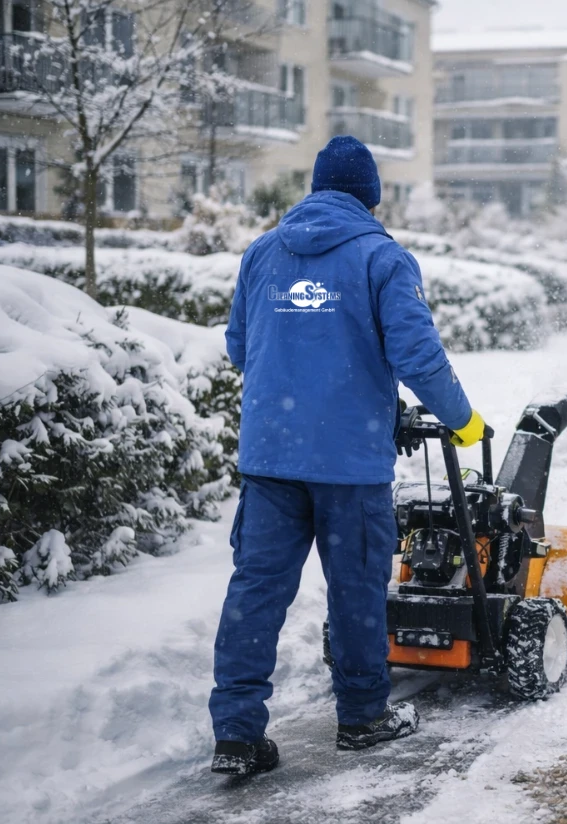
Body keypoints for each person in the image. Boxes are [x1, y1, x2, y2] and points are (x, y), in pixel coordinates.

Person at [209, 136, 485, 776]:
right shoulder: (382, 260)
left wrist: (297, 380)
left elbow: (239, 347)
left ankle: (236, 735)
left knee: (254, 593)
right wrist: (463, 421)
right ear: (370, 196)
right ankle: (363, 718)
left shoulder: (263, 253)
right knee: (356, 592)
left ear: (314, 189)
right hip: (349, 465)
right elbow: (417, 356)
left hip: (270, 460)